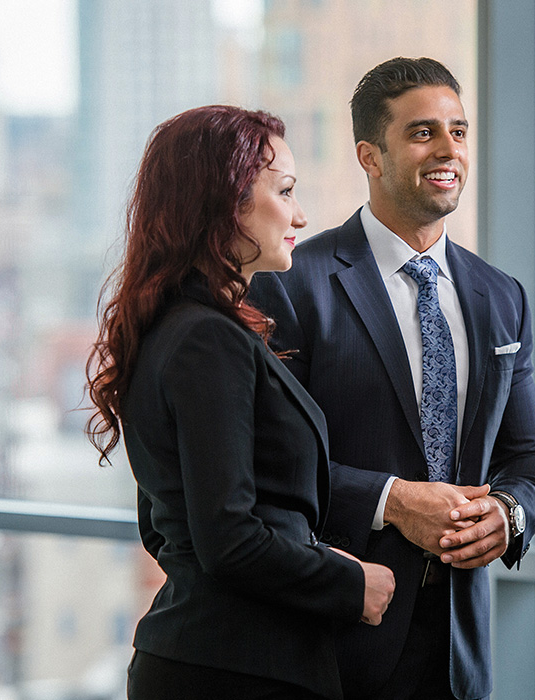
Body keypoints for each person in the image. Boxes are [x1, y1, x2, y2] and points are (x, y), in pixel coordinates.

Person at [249, 57, 535, 700]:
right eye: (423, 133)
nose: (449, 149)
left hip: (460, 650)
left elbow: (533, 455)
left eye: (459, 131)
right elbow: (268, 465)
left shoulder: (500, 296)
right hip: (334, 638)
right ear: (370, 155)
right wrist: (393, 500)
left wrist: (509, 514)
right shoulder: (291, 285)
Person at [85, 105, 395, 700]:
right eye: (284, 191)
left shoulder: (172, 328)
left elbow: (165, 529)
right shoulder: (207, 339)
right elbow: (228, 539)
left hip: (208, 660)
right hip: (236, 671)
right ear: (227, 203)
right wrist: (349, 582)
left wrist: (295, 547)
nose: (300, 214)